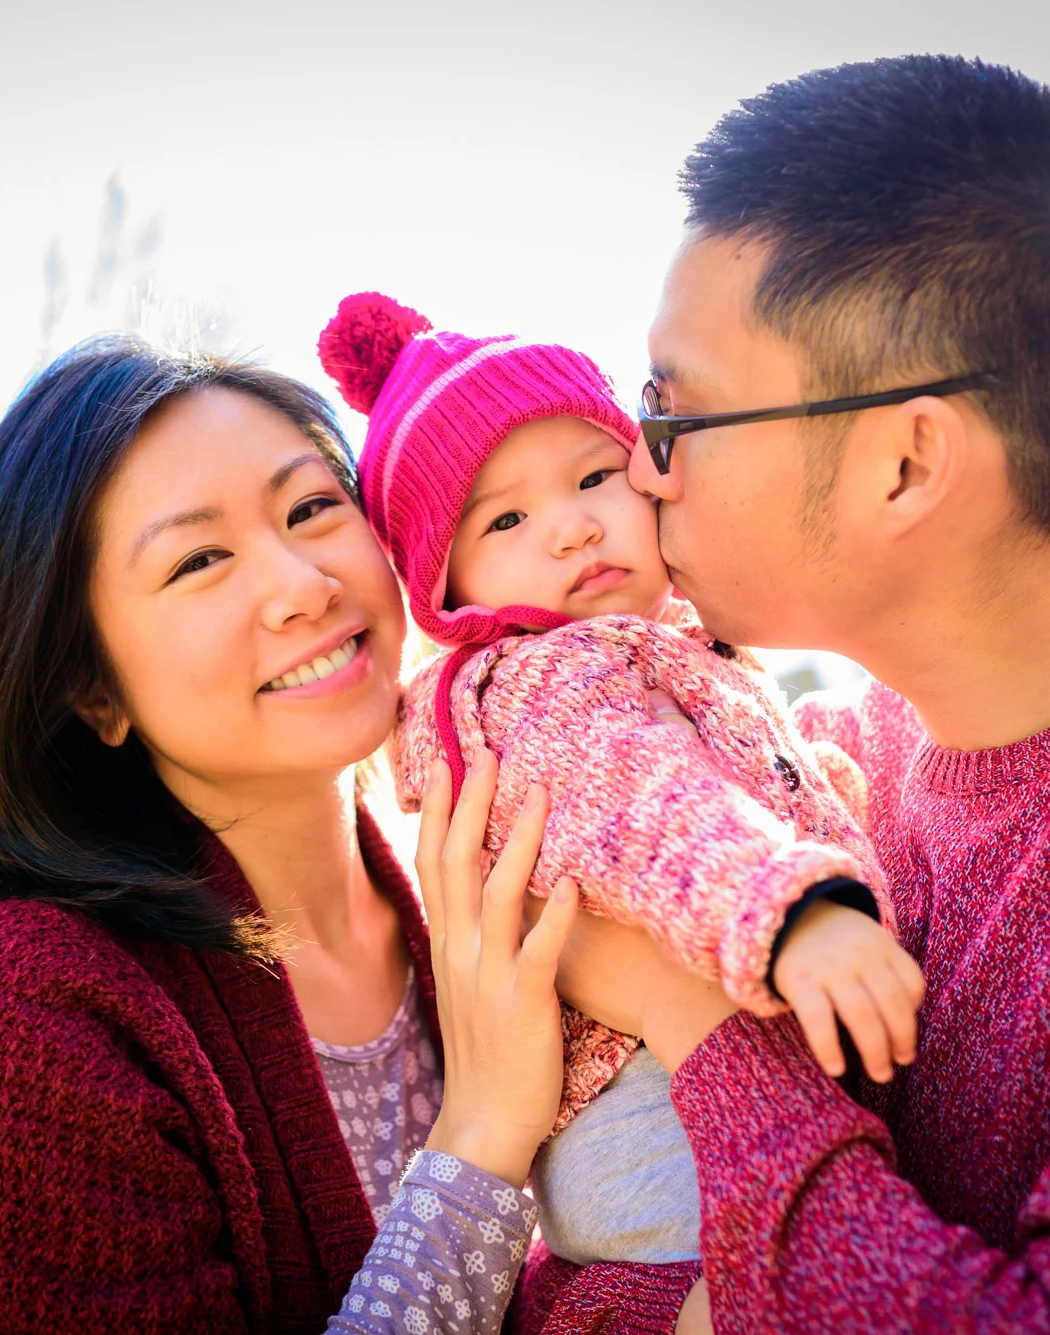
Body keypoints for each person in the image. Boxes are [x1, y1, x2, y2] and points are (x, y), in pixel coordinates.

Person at [435, 55, 1050, 1331]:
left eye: (671, 416)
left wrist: (696, 1020)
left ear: (902, 461)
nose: (636, 474)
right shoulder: (822, 772)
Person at [0, 339, 592, 1332]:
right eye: (198, 559)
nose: (302, 583)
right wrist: (479, 1132)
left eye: (311, 509)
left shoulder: (487, 890)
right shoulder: (36, 998)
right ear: (91, 690)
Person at [313, 292, 924, 1318]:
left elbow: (746, 770)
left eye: (594, 474)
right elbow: (647, 803)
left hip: (716, 1070)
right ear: (445, 586)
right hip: (655, 1124)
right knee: (776, 1294)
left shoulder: (664, 651)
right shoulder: (542, 683)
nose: (571, 527)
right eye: (504, 519)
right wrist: (793, 908)